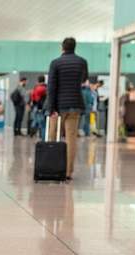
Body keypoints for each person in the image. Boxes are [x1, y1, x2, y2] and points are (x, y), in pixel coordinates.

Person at [46, 37, 88, 181]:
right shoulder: (82, 62)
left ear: (62, 47)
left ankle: (53, 168)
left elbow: (51, 87)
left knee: (53, 137)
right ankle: (68, 172)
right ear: (74, 47)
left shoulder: (56, 63)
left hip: (58, 106)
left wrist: (50, 108)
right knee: (71, 138)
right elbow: (84, 79)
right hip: (75, 104)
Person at [30, 75, 47, 140]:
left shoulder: (37, 88)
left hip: (38, 107)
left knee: (38, 122)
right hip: (46, 108)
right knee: (43, 123)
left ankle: (33, 132)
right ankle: (42, 136)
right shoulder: (47, 87)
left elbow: (34, 98)